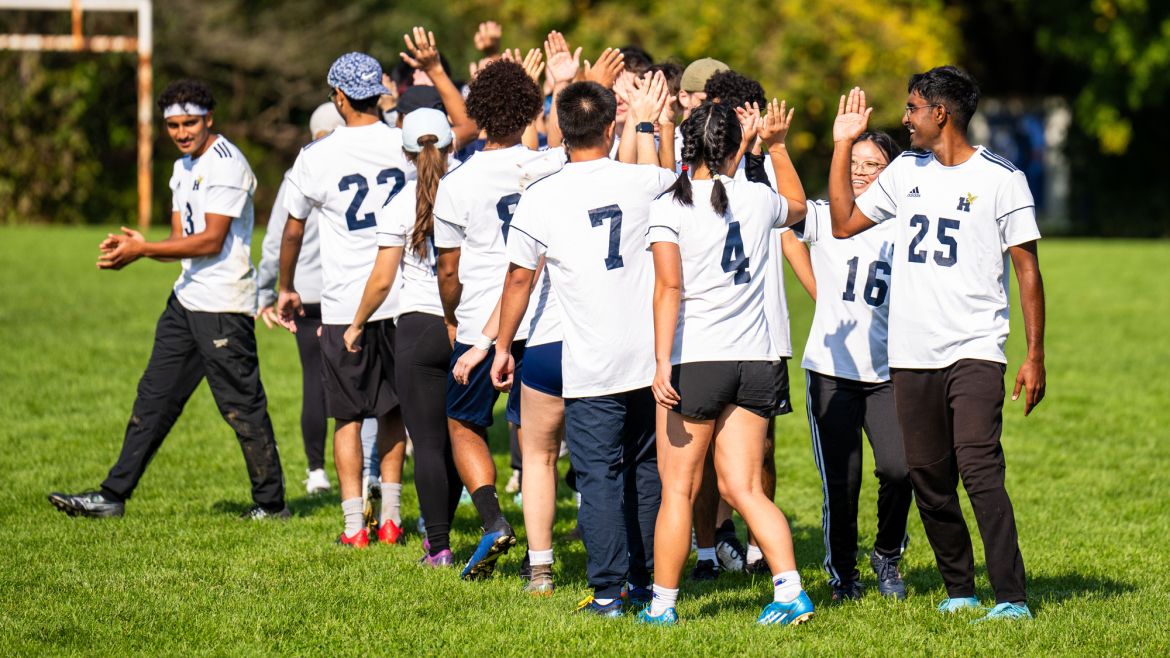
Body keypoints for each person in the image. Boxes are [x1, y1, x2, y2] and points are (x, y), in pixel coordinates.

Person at [828, 67, 1046, 622]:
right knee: (927, 474)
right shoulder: (905, 171)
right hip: (910, 354)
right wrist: (841, 145)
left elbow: (1027, 271)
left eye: (912, 108)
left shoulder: (1002, 178)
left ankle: (1011, 598)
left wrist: (1034, 355)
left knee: (979, 467)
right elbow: (844, 223)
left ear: (939, 114)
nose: (904, 118)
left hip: (975, 348)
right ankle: (959, 589)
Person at [48, 79, 287, 520]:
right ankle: (112, 496)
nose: (181, 132)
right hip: (186, 300)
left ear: (209, 119)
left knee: (241, 408)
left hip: (223, 306)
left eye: (189, 122)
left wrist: (144, 250)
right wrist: (139, 251)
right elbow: (181, 240)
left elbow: (211, 241)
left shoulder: (227, 163)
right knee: (152, 400)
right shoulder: (182, 167)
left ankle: (271, 505)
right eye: (173, 125)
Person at [490, 79, 673, 617]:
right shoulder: (648, 182)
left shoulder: (542, 194)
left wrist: (503, 346)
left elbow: (519, 280)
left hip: (590, 357)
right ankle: (643, 582)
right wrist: (651, 122)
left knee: (598, 477)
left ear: (561, 131)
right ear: (611, 127)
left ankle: (609, 592)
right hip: (648, 353)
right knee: (645, 471)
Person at [637, 100, 813, 626]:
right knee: (745, 488)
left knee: (678, 490)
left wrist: (661, 362)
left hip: (700, 359)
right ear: (739, 144)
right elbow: (800, 205)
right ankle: (790, 592)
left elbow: (669, 287)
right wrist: (777, 148)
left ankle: (662, 607)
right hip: (757, 359)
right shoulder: (759, 199)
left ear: (688, 146)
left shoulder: (670, 205)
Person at [432, 58, 564, 580]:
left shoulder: (456, 180)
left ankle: (491, 520)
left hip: (481, 328)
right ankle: (542, 561)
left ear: (477, 112)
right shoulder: (553, 165)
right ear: (532, 109)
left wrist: (452, 316)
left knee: (463, 423)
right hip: (548, 318)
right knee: (541, 447)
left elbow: (447, 268)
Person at [276, 52, 412, 548]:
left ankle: (355, 525)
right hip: (400, 299)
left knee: (348, 418)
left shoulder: (318, 155)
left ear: (337, 97)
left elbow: (293, 229)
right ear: (379, 91)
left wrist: (286, 285)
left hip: (341, 304)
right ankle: (393, 518)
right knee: (394, 411)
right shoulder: (403, 142)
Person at [794, 130, 914, 601]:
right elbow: (788, 217)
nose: (862, 172)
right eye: (855, 163)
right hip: (831, 370)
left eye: (874, 164)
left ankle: (887, 554)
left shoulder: (905, 223)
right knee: (842, 483)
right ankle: (843, 573)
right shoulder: (825, 215)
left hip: (888, 372)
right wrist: (780, 149)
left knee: (901, 468)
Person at [344, 108, 461, 567]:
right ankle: (448, 531)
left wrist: (356, 323)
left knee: (428, 442)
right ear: (452, 145)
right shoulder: (466, 190)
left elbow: (381, 280)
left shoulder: (398, 202)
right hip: (464, 324)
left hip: (416, 328)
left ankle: (439, 545)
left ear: (405, 151)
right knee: (460, 439)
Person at [256, 102, 343, 495]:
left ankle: (316, 471)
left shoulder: (298, 173)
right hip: (348, 291)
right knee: (361, 384)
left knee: (313, 380)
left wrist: (265, 289)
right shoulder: (352, 166)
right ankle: (369, 469)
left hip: (304, 292)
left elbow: (277, 239)